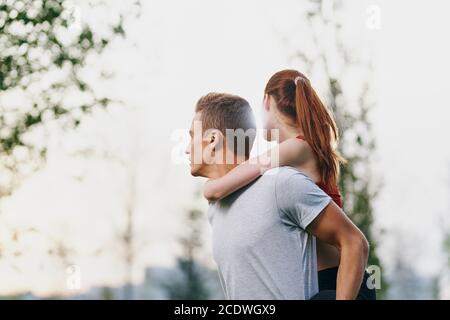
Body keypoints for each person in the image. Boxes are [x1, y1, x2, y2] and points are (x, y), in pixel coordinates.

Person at [186, 92, 369, 299]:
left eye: (192, 136)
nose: (186, 149)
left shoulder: (281, 184)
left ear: (212, 140)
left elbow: (355, 242)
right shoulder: (216, 209)